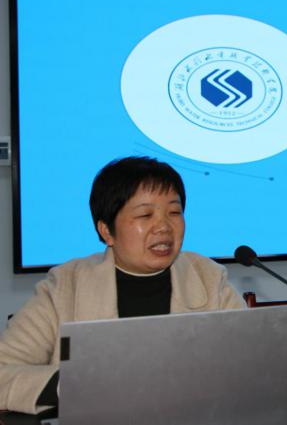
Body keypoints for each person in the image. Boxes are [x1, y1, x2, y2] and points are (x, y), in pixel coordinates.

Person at [0, 156, 244, 414]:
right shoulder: (65, 286)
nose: (164, 227)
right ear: (106, 231)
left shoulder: (209, 277)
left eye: (174, 212)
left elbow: (252, 364)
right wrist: (74, 385)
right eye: (145, 215)